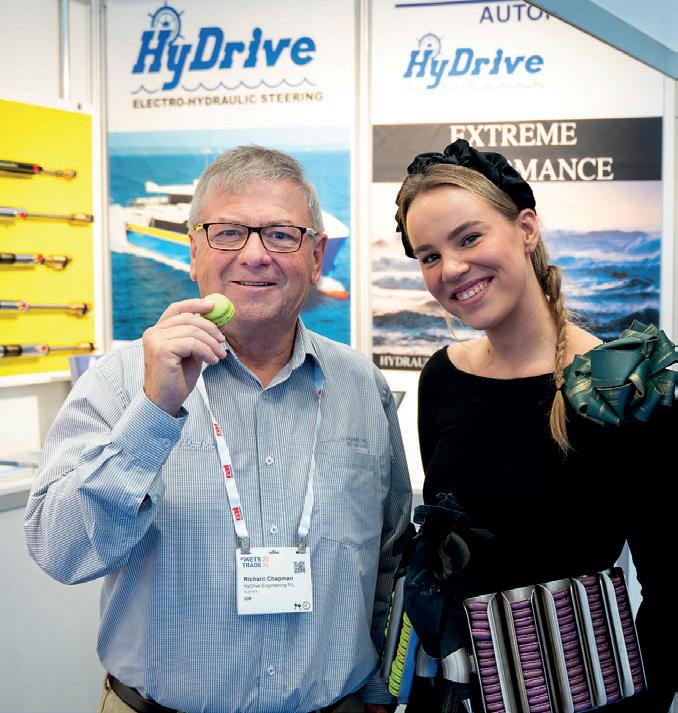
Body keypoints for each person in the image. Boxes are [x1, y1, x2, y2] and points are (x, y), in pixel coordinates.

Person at [24, 146, 412, 713]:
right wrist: (153, 412)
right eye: (228, 233)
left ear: (315, 257)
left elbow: (391, 555)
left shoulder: (360, 385)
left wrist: (379, 691)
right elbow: (60, 552)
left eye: (281, 235)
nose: (255, 255)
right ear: (194, 252)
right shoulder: (120, 381)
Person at [391, 140, 676, 712]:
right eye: (428, 255)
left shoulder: (620, 383)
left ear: (525, 228)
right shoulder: (443, 376)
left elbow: (673, 591)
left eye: (469, 238)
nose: (452, 269)